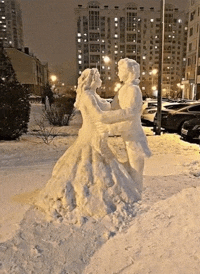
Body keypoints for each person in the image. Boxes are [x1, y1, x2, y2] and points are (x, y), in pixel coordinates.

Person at [35, 68, 140, 223]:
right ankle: (87, 201)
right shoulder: (87, 96)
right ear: (91, 80)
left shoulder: (95, 95)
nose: (100, 79)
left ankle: (114, 197)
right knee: (89, 169)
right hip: (91, 136)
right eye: (98, 77)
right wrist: (126, 113)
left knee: (108, 169)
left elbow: (108, 108)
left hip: (99, 136)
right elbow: (99, 116)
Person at [107, 58, 151, 192]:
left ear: (129, 71)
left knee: (135, 169)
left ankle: (137, 193)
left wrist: (109, 125)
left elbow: (129, 112)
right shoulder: (123, 89)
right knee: (131, 167)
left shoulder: (133, 89)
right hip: (128, 135)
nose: (118, 73)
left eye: (121, 70)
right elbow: (113, 108)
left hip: (134, 136)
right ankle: (134, 191)